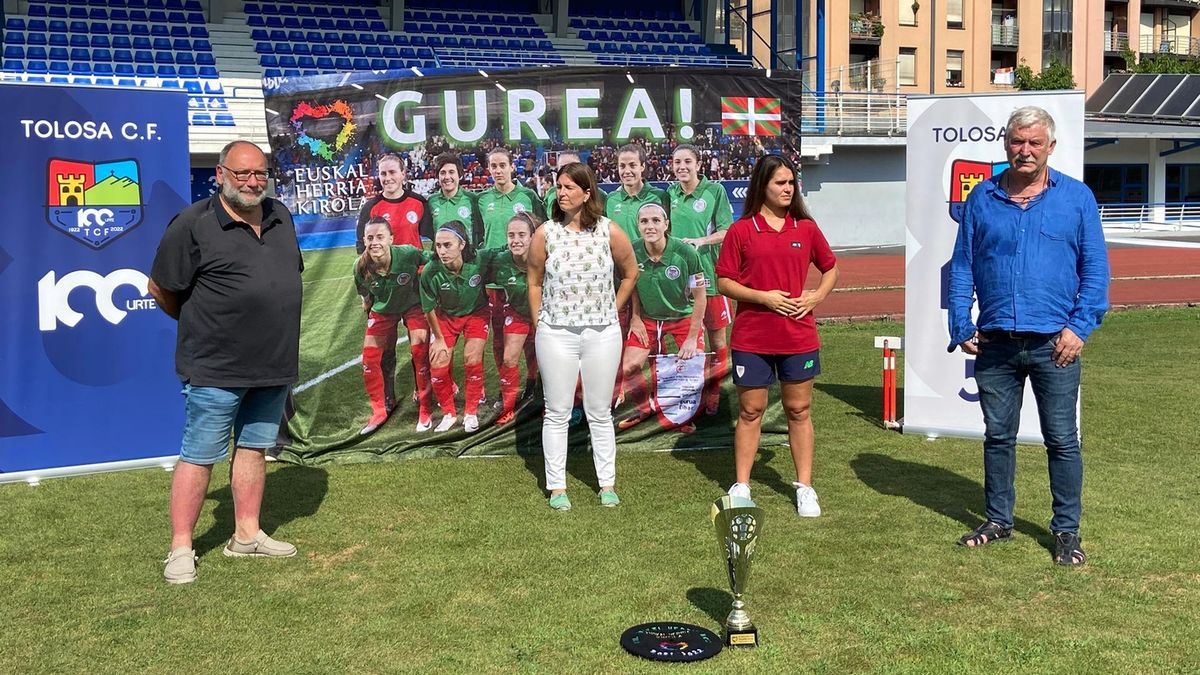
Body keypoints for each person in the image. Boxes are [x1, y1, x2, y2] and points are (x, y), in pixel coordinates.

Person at [948, 106, 1110, 566]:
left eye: (1034, 143)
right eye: (1017, 142)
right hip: (996, 340)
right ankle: (998, 520)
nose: (1024, 150)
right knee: (998, 436)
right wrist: (960, 321)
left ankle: (1065, 532)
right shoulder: (982, 198)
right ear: (1005, 144)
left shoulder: (1077, 199)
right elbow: (963, 266)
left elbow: (1095, 271)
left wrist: (1079, 328)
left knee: (1061, 439)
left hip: (1054, 345)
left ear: (1050, 148)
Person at [148, 140, 303, 584]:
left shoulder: (280, 215)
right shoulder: (192, 223)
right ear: (220, 175)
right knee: (199, 455)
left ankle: (247, 535)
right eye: (242, 174)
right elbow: (161, 287)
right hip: (215, 367)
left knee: (255, 448)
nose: (253, 182)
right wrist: (204, 324)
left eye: (260, 173)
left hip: (273, 365)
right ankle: (180, 547)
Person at [714, 154, 839, 517]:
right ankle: (742, 485)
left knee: (798, 410)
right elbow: (724, 282)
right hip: (752, 337)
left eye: (790, 183)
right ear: (762, 186)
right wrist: (763, 297)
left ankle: (804, 487)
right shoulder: (741, 231)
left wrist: (816, 296)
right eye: (780, 183)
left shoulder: (806, 229)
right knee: (751, 411)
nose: (788, 189)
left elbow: (830, 269)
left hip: (798, 337)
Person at [528, 162, 639, 510]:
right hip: (556, 334)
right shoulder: (545, 233)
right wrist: (540, 323)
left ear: (587, 193)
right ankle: (557, 487)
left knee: (599, 412)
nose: (561, 193)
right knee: (557, 411)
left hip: (602, 334)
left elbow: (631, 272)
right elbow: (533, 281)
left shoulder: (609, 231)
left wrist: (612, 309)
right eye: (558, 187)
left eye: (569, 188)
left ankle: (607, 484)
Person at [616, 203, 706, 432]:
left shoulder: (686, 253)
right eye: (644, 221)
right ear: (638, 226)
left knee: (689, 365)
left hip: (682, 318)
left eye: (656, 220)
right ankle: (644, 410)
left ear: (666, 224)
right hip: (648, 319)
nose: (650, 225)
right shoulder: (632, 251)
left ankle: (683, 416)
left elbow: (701, 297)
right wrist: (635, 317)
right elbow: (632, 286)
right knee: (629, 367)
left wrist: (692, 336)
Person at [667, 143, 735, 416]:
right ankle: (692, 393)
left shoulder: (714, 191)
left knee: (718, 341)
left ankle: (716, 392)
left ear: (698, 164)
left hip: (709, 275)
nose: (681, 167)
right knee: (691, 341)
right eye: (677, 162)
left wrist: (701, 241)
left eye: (687, 161)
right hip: (681, 280)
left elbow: (727, 231)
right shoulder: (669, 193)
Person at [477, 147, 546, 400]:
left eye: (502, 165)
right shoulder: (482, 199)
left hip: (526, 276)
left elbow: (542, 229)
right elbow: (477, 235)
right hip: (496, 280)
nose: (497, 170)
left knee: (534, 336)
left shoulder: (528, 195)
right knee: (500, 340)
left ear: (511, 167)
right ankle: (507, 389)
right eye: (493, 166)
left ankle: (533, 383)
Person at [354, 217, 433, 435]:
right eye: (370, 238)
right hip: (383, 309)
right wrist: (371, 319)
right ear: (364, 240)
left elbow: (433, 259)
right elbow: (366, 297)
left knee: (419, 350)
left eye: (380, 237)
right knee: (369, 358)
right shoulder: (360, 267)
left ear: (391, 238)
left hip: (413, 305)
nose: (375, 242)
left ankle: (425, 408)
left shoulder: (407, 253)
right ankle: (379, 410)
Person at [419, 220, 497, 434]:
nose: (442, 251)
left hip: (476, 314)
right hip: (446, 317)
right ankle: (449, 414)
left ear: (462, 245)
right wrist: (439, 339)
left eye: (447, 245)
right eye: (438, 245)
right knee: (438, 364)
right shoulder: (430, 271)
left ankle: (471, 412)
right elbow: (428, 309)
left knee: (472, 359)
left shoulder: (479, 258)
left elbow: (503, 252)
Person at [487, 212, 541, 424]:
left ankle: (542, 397)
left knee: (547, 359)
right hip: (517, 313)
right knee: (509, 358)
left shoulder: (546, 257)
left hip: (544, 315)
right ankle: (508, 405)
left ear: (532, 237)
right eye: (511, 235)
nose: (516, 240)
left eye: (521, 235)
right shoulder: (501, 261)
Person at [355, 153, 432, 253]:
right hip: (385, 268)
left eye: (392, 172)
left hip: (415, 268)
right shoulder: (370, 208)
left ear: (403, 174)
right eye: (383, 174)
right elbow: (362, 245)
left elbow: (435, 234)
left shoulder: (419, 202)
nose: (387, 178)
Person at [605, 143, 670, 241]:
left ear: (642, 166)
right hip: (619, 256)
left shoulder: (660, 196)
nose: (627, 171)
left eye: (632, 165)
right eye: (622, 166)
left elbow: (669, 235)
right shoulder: (611, 199)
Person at [426, 152, 484, 246]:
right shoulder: (431, 201)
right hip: (441, 258)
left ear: (459, 174)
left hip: (467, 259)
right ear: (437, 176)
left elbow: (480, 232)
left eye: (451, 172)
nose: (447, 177)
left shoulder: (472, 199)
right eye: (443, 173)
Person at [542, 150, 606, 215]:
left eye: (573, 167)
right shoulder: (551, 195)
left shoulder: (599, 195)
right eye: (562, 167)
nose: (567, 171)